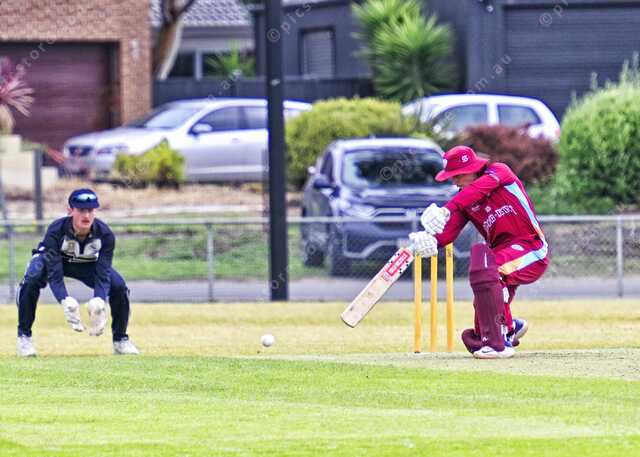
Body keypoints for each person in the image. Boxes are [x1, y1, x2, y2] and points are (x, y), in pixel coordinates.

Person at [409, 145, 549, 359]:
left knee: (490, 271)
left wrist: (446, 208)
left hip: (531, 247)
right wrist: (430, 240)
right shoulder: (463, 200)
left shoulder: (499, 172)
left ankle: (499, 344)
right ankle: (508, 327)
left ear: (473, 169)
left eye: (458, 175)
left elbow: (479, 189)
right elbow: (448, 233)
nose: (455, 181)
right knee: (484, 291)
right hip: (501, 254)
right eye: (451, 177)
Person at [16, 188, 139, 357]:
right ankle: (24, 337)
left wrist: (99, 299)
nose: (86, 215)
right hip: (52, 260)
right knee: (32, 277)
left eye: (90, 210)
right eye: (81, 210)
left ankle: (120, 340)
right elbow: (54, 273)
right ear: (70, 210)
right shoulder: (56, 230)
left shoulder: (105, 235)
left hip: (87, 264)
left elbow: (103, 272)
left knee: (119, 286)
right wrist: (64, 299)